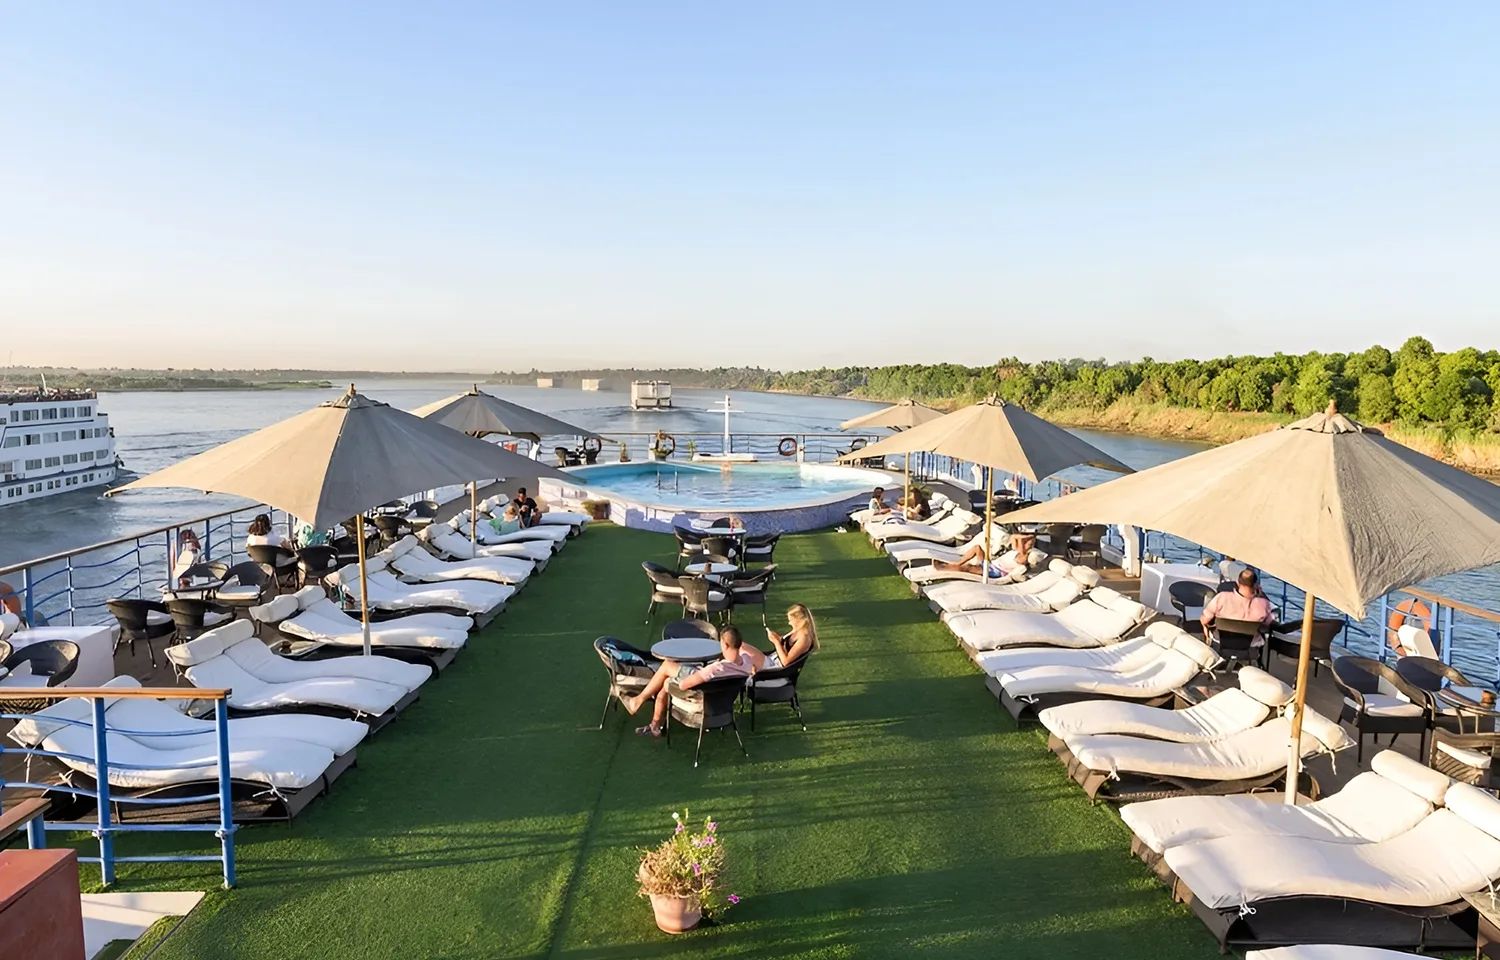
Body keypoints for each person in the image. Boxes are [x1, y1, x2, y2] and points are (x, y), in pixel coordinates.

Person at [624, 626, 757, 738]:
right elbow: (744, 656)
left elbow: (683, 685)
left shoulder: (715, 668)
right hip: (723, 701)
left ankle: (639, 702)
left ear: (724, 644)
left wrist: (672, 681)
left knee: (666, 668)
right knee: (666, 679)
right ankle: (655, 724)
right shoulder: (747, 661)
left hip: (702, 695)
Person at [934, 532, 1038, 579]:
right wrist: (1021, 536)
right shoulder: (1018, 551)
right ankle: (957, 563)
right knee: (977, 548)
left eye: (1029, 542)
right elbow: (1013, 538)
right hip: (990, 564)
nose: (1027, 542)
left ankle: (944, 568)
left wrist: (1024, 538)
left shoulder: (1024, 558)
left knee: (969, 568)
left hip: (994, 572)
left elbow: (1021, 548)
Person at [1200, 569, 1276, 631]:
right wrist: (1260, 596)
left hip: (1221, 643)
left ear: (1237, 582)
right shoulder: (1264, 604)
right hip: (1251, 646)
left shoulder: (1222, 597)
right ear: (1255, 585)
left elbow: (1204, 620)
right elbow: (1268, 622)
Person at [757, 604, 819, 670]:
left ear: (797, 619)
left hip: (775, 665)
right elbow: (786, 648)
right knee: (745, 651)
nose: (789, 623)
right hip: (772, 658)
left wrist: (776, 642)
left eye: (790, 620)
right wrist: (779, 639)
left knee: (745, 650)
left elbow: (785, 662)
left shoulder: (804, 638)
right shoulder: (796, 631)